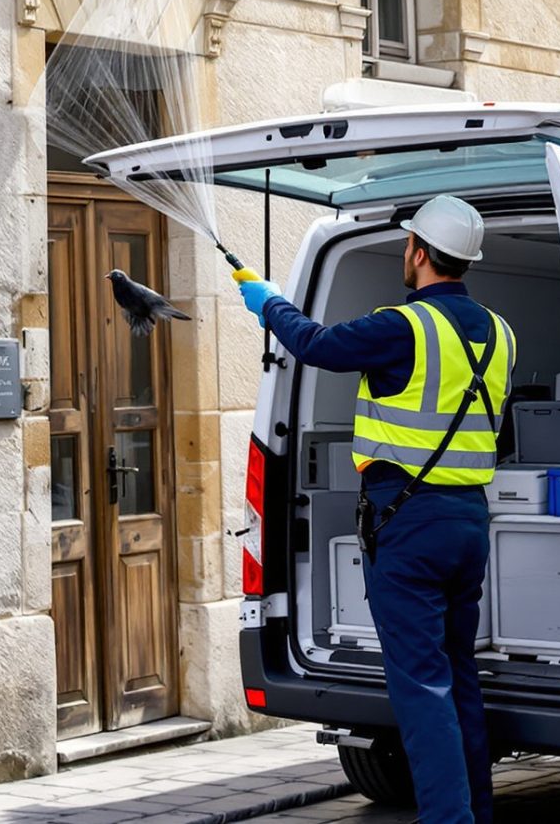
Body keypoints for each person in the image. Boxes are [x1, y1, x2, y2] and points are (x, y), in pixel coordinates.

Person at [235, 194, 510, 824]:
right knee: (456, 673)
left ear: (418, 252)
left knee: (420, 686)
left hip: (408, 524)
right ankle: (476, 812)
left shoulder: (402, 326)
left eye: (406, 247)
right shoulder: (501, 333)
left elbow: (317, 344)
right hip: (469, 521)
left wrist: (268, 302)